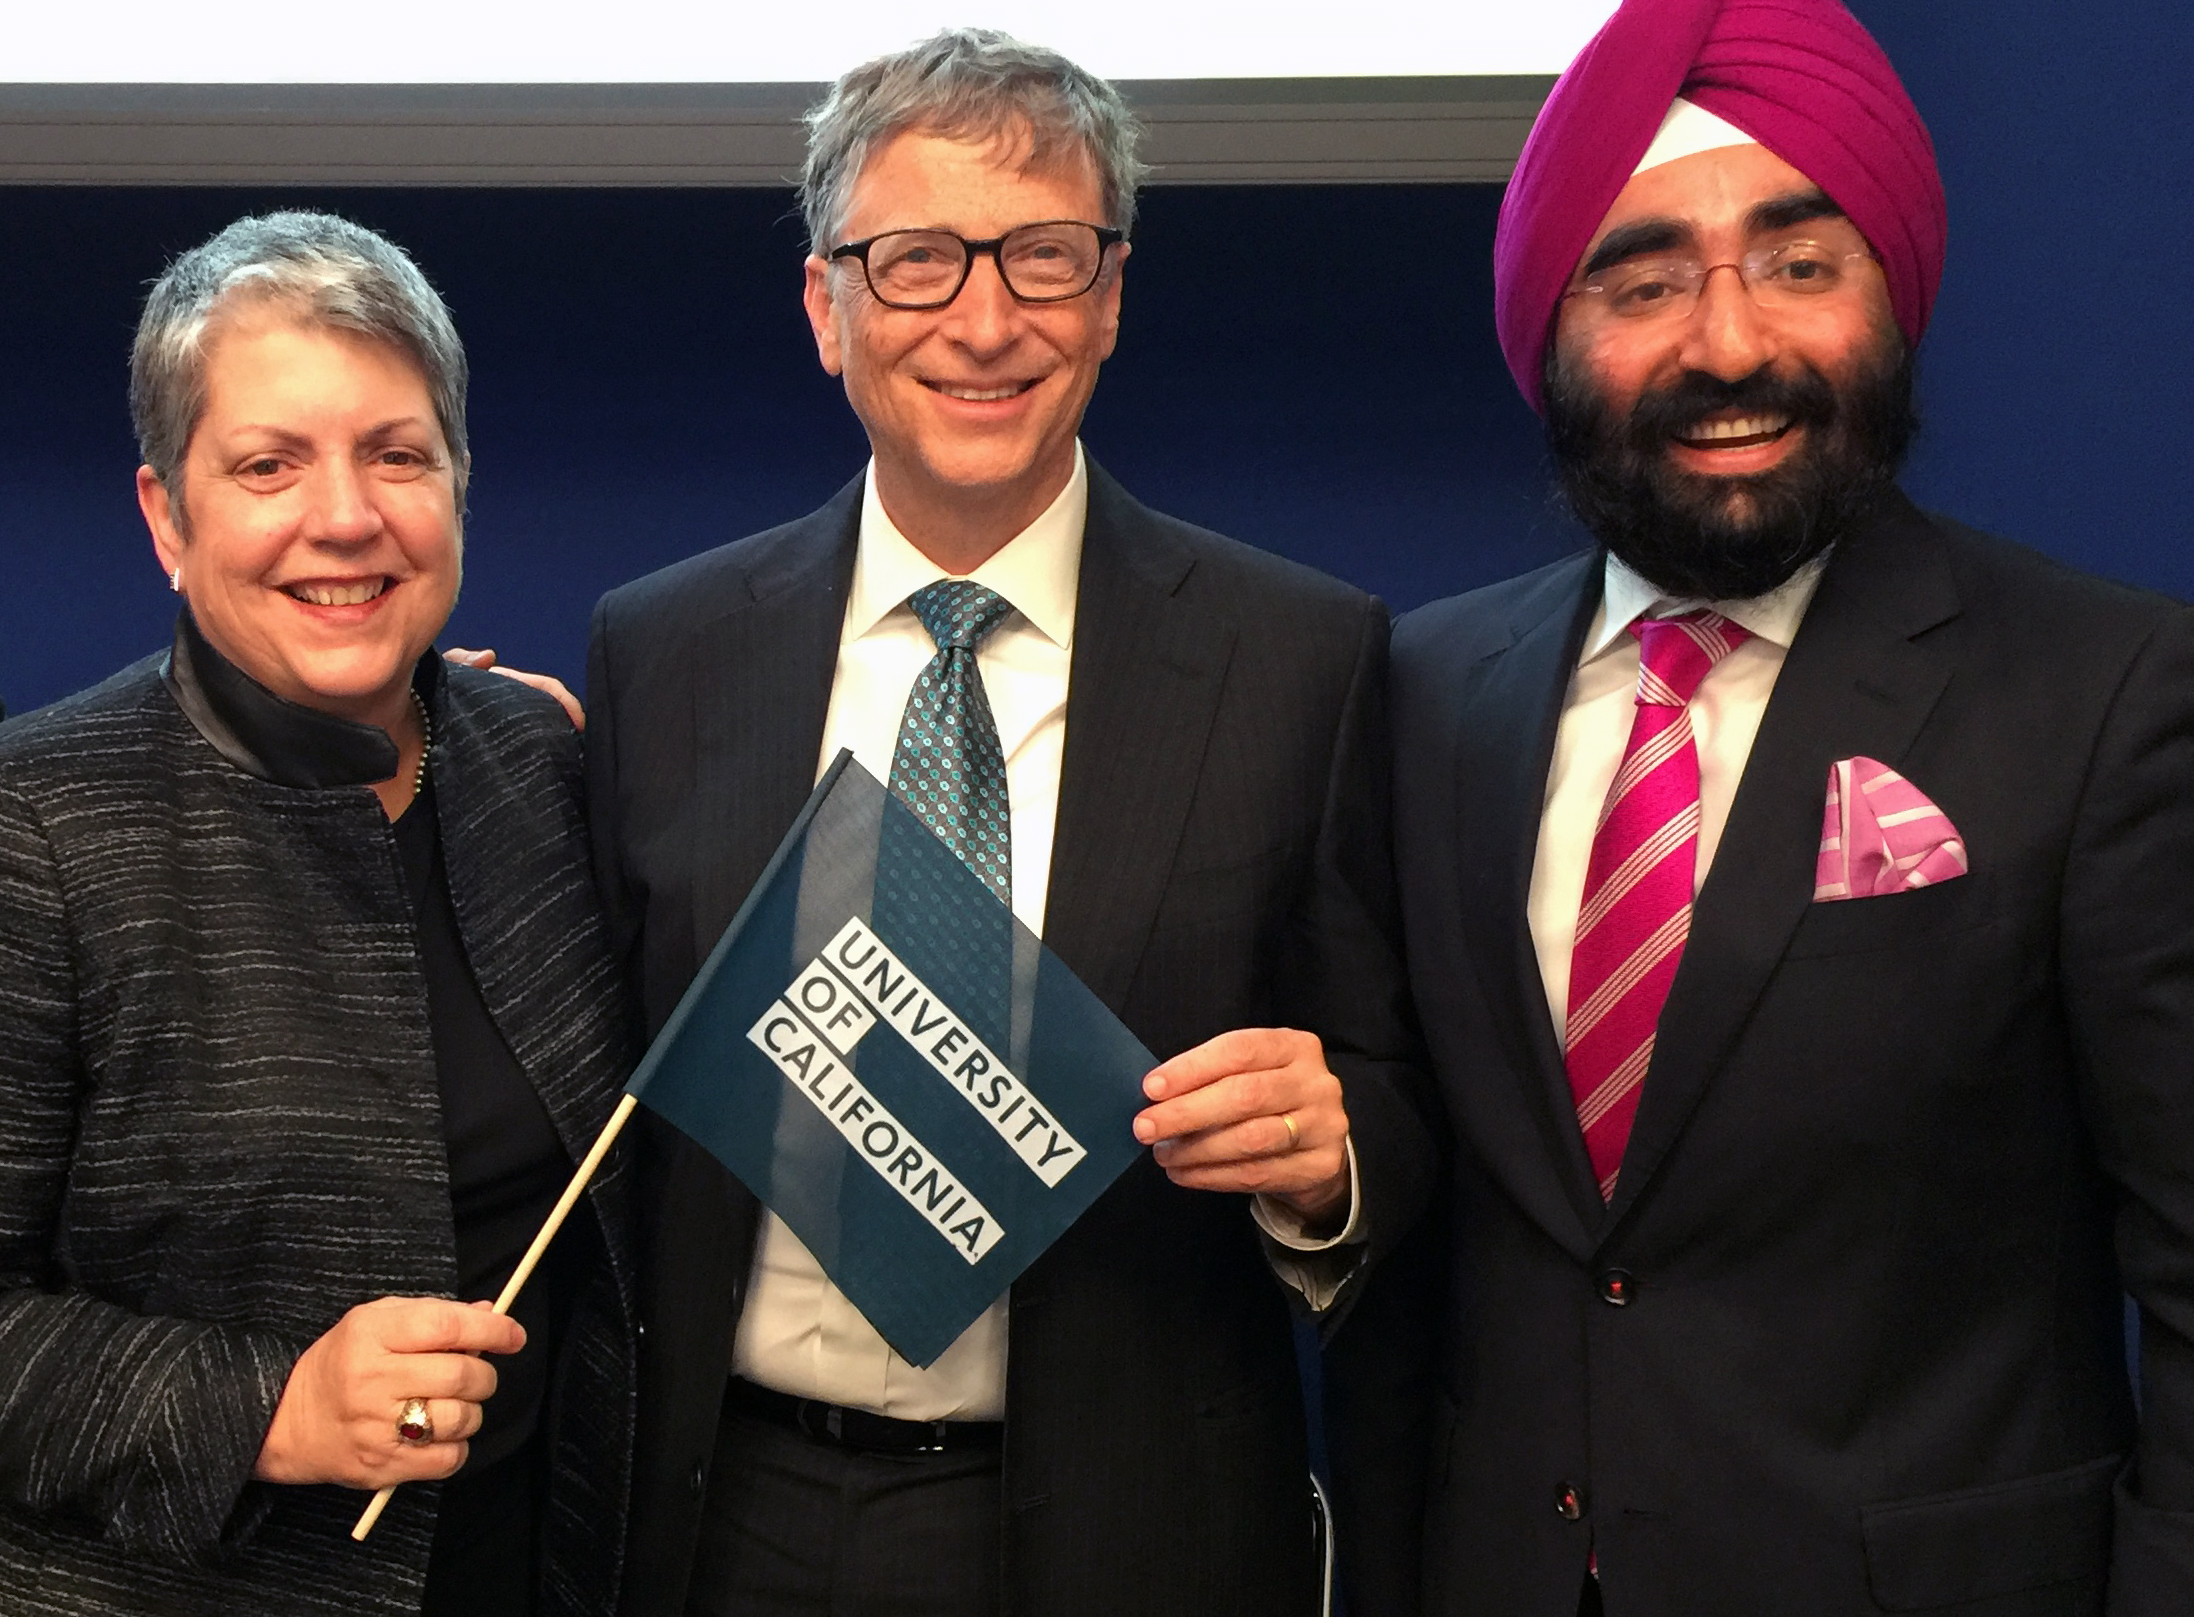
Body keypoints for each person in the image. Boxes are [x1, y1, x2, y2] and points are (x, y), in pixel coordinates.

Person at [1352, 0, 2194, 1612]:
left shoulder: (2106, 696)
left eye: (1799, 266)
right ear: (1548, 328)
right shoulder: (1420, 692)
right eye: (1644, 279)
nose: (1726, 343)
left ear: (1891, 295)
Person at [586, 28, 1427, 1617]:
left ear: (1110, 296)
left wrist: (1330, 1160)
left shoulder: (1300, 657)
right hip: (721, 1514)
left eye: (1042, 257)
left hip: (1132, 1522)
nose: (985, 320)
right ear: (826, 309)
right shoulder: (665, 650)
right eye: (914, 262)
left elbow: (1394, 1092)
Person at [0, 211, 635, 1617]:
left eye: (396, 454)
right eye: (269, 464)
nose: (345, 515)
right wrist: (269, 1407)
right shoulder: (31, 823)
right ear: (169, 516)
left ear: (458, 483)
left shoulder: (541, 765)